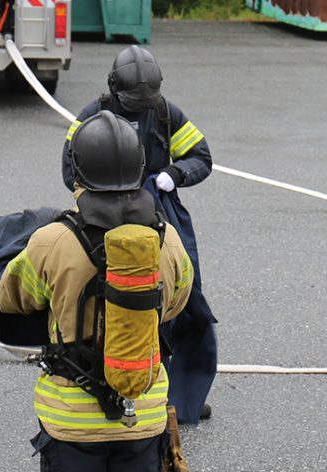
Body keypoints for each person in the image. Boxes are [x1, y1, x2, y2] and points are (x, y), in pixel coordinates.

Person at [0, 111, 194, 472]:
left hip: (71, 420)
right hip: (143, 410)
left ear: (77, 170)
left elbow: (11, 298)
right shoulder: (167, 238)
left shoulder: (52, 240)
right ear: (140, 168)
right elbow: (176, 302)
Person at [61, 45, 218, 424]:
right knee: (109, 299)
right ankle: (106, 379)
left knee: (179, 297)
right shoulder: (92, 116)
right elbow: (70, 170)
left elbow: (201, 156)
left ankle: (176, 394)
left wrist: (175, 175)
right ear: (115, 88)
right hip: (103, 217)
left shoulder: (164, 113)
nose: (140, 108)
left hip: (160, 213)